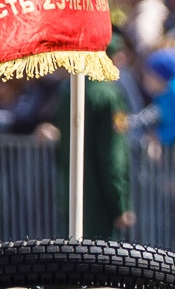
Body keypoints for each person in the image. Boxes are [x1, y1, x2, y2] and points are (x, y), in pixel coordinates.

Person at [45, 72, 133, 240]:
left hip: (71, 198)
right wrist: (120, 203)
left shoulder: (68, 92)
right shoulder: (110, 95)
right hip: (100, 203)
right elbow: (113, 155)